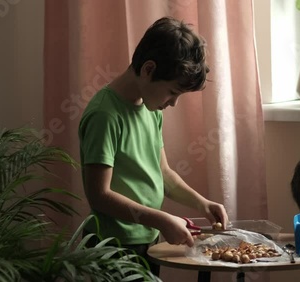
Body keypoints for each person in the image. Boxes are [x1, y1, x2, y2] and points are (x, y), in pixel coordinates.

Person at [78, 17, 228, 276]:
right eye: (172, 92)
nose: (173, 104)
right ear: (148, 69)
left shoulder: (151, 109)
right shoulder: (105, 115)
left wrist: (201, 203)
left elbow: (164, 174)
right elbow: (99, 195)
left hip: (145, 240)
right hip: (111, 246)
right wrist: (161, 219)